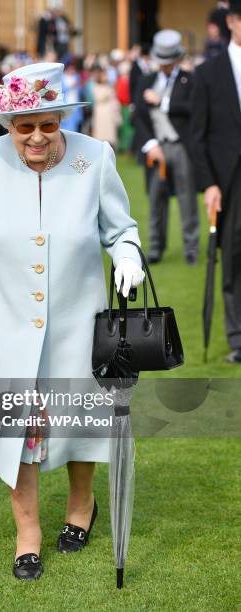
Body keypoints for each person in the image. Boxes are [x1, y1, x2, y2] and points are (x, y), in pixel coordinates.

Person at [0, 62, 144, 581]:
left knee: (78, 422)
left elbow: (121, 228)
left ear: (60, 118)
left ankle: (82, 504)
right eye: (23, 126)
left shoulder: (94, 156)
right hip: (10, 325)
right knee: (20, 432)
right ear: (7, 124)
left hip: (79, 322)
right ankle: (27, 533)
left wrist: (128, 256)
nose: (35, 137)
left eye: (47, 124)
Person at [191, 0, 241, 363]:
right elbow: (197, 136)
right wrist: (209, 183)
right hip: (229, 181)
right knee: (235, 256)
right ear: (233, 21)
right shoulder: (208, 72)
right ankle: (238, 337)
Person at [134, 29, 200, 265]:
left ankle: (191, 248)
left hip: (181, 147)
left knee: (187, 199)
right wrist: (150, 144)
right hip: (156, 147)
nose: (164, 66)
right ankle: (155, 247)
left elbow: (193, 109)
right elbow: (138, 118)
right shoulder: (146, 81)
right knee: (155, 199)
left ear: (177, 59)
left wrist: (163, 101)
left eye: (168, 62)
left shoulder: (190, 80)